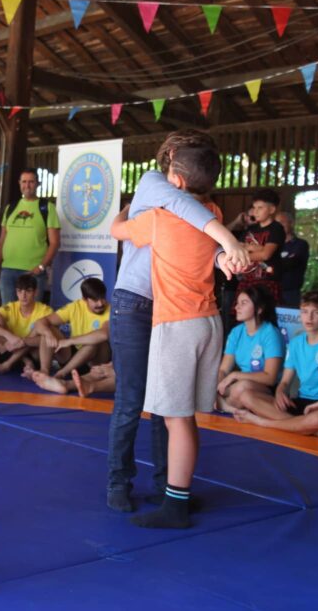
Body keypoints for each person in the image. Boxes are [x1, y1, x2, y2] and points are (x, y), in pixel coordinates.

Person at [107, 129, 248, 513]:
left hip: (175, 311)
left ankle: (168, 487)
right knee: (133, 399)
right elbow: (183, 209)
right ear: (168, 159)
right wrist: (229, 242)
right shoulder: (155, 186)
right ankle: (119, 481)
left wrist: (222, 254)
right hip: (138, 302)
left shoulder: (206, 210)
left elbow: (199, 234)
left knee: (167, 406)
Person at [232, 292, 318, 437]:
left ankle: (262, 422)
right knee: (247, 396)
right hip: (303, 402)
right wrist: (280, 391)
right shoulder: (296, 343)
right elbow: (285, 381)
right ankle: (306, 428)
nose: (309, 318)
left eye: (316, 313)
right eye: (305, 312)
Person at [0, 168, 61, 305]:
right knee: (9, 315)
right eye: (24, 182)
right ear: (19, 183)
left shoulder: (47, 208)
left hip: (33, 272)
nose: (27, 185)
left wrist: (41, 267)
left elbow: (55, 242)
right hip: (8, 271)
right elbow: (2, 241)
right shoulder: (11, 208)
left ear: (37, 184)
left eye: (31, 182)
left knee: (31, 316)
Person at [29, 277, 112, 394]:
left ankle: (59, 375)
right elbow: (40, 323)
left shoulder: (110, 310)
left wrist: (70, 341)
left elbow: (103, 334)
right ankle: (44, 372)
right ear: (84, 299)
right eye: (95, 300)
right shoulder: (75, 307)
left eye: (102, 298)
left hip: (94, 363)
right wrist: (48, 334)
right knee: (48, 330)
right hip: (73, 357)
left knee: (94, 342)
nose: (101, 303)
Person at [216, 285, 285, 413]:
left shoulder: (270, 333)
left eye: (244, 303)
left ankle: (223, 405)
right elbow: (224, 370)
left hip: (265, 389)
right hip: (238, 385)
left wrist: (235, 375)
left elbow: (270, 378)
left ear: (259, 309)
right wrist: (218, 383)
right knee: (209, 381)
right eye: (237, 303)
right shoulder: (236, 332)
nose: (237, 307)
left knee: (242, 387)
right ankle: (225, 405)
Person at [0, 273, 53, 375]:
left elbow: (49, 339)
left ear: (35, 292)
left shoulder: (45, 310)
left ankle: (7, 365)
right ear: (16, 292)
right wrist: (9, 336)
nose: (23, 296)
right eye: (20, 291)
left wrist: (23, 341)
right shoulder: (10, 307)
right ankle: (25, 361)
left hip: (32, 354)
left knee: (40, 329)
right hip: (7, 351)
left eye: (28, 291)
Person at [228, 189, 284, 307]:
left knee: (264, 315)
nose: (255, 212)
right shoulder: (250, 230)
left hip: (267, 282)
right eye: (254, 208)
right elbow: (240, 247)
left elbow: (266, 255)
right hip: (247, 282)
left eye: (260, 208)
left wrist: (248, 250)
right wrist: (258, 248)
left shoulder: (276, 228)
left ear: (271, 209)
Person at [276, 211, 309, 307]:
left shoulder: (300, 244)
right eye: (277, 223)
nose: (280, 225)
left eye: (282, 222)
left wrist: (270, 263)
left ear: (291, 223)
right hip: (271, 291)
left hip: (290, 292)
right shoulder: (272, 245)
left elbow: (291, 263)